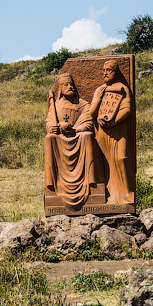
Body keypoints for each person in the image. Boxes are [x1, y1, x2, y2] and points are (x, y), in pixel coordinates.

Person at [43, 73, 100, 208]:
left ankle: (92, 184)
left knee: (87, 136)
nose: (70, 87)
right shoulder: (55, 106)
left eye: (71, 85)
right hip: (60, 140)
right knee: (49, 138)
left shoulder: (82, 105)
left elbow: (88, 123)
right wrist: (55, 128)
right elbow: (49, 122)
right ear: (60, 89)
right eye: (66, 85)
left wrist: (74, 130)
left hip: (78, 137)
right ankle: (52, 186)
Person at [87, 59, 134, 204]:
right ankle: (108, 195)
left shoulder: (123, 89)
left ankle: (128, 192)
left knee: (122, 158)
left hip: (118, 131)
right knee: (104, 163)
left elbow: (127, 109)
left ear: (116, 72)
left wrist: (113, 121)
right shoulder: (100, 90)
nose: (105, 73)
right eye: (104, 70)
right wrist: (97, 98)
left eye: (109, 70)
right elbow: (91, 114)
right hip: (102, 132)